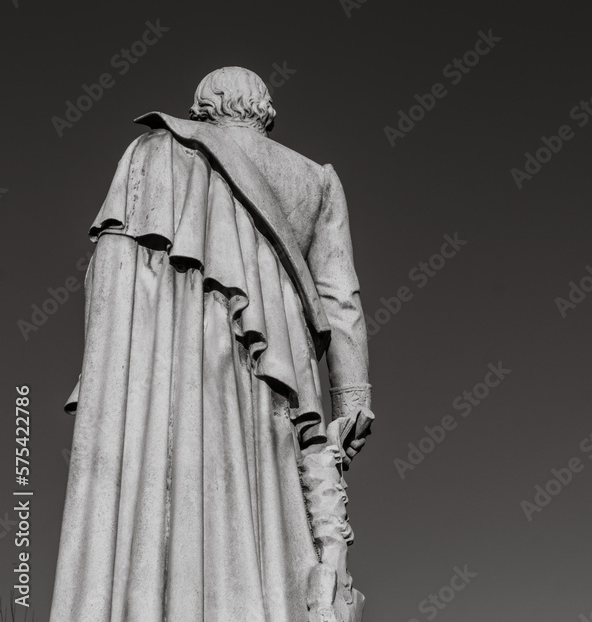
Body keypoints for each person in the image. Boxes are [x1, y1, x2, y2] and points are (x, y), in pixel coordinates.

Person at [52, 67, 373, 621]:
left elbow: (110, 275)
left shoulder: (154, 152)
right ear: (265, 110)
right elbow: (341, 299)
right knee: (268, 512)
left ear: (204, 106)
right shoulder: (314, 180)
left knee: (163, 486)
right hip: (274, 367)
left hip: (164, 363)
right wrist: (352, 400)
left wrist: (107, 375)